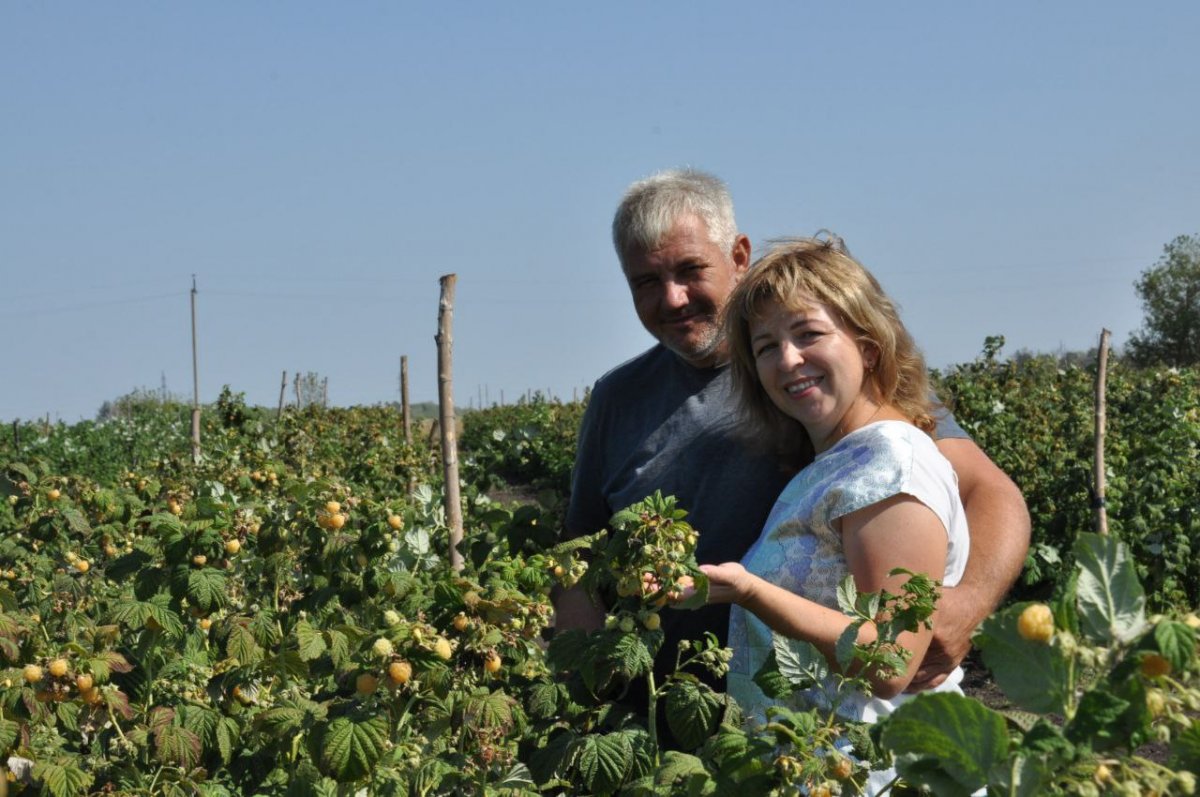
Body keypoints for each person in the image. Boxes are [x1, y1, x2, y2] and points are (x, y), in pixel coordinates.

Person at [557, 169, 1029, 693]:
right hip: (666, 721)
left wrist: (965, 605)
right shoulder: (618, 398)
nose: (672, 298)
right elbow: (581, 552)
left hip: (817, 723)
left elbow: (988, 490)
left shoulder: (838, 382)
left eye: (690, 270)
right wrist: (586, 688)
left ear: (738, 255)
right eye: (646, 281)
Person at [706, 236, 968, 792]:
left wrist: (748, 591)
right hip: (824, 765)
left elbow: (891, 663)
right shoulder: (838, 462)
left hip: (883, 772)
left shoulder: (889, 463)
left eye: (809, 334)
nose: (789, 359)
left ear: (868, 346)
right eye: (766, 346)